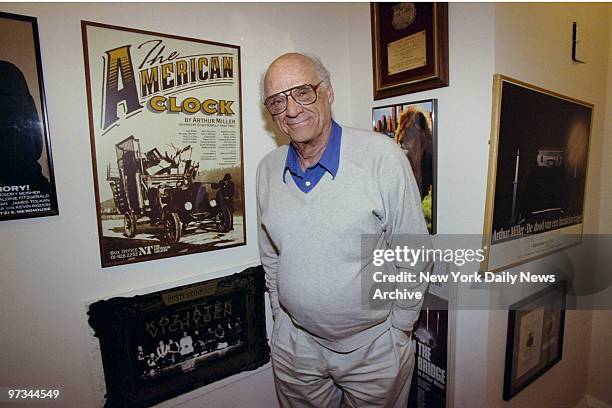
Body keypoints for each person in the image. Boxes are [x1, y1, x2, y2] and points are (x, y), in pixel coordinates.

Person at [256, 53, 430, 408]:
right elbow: (271, 257)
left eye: (303, 92)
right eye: (277, 100)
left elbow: (415, 255)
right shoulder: (267, 170)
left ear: (328, 92)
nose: (291, 110)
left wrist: (399, 331)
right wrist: (279, 318)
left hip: (374, 349)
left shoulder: (382, 157)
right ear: (270, 112)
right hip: (296, 349)